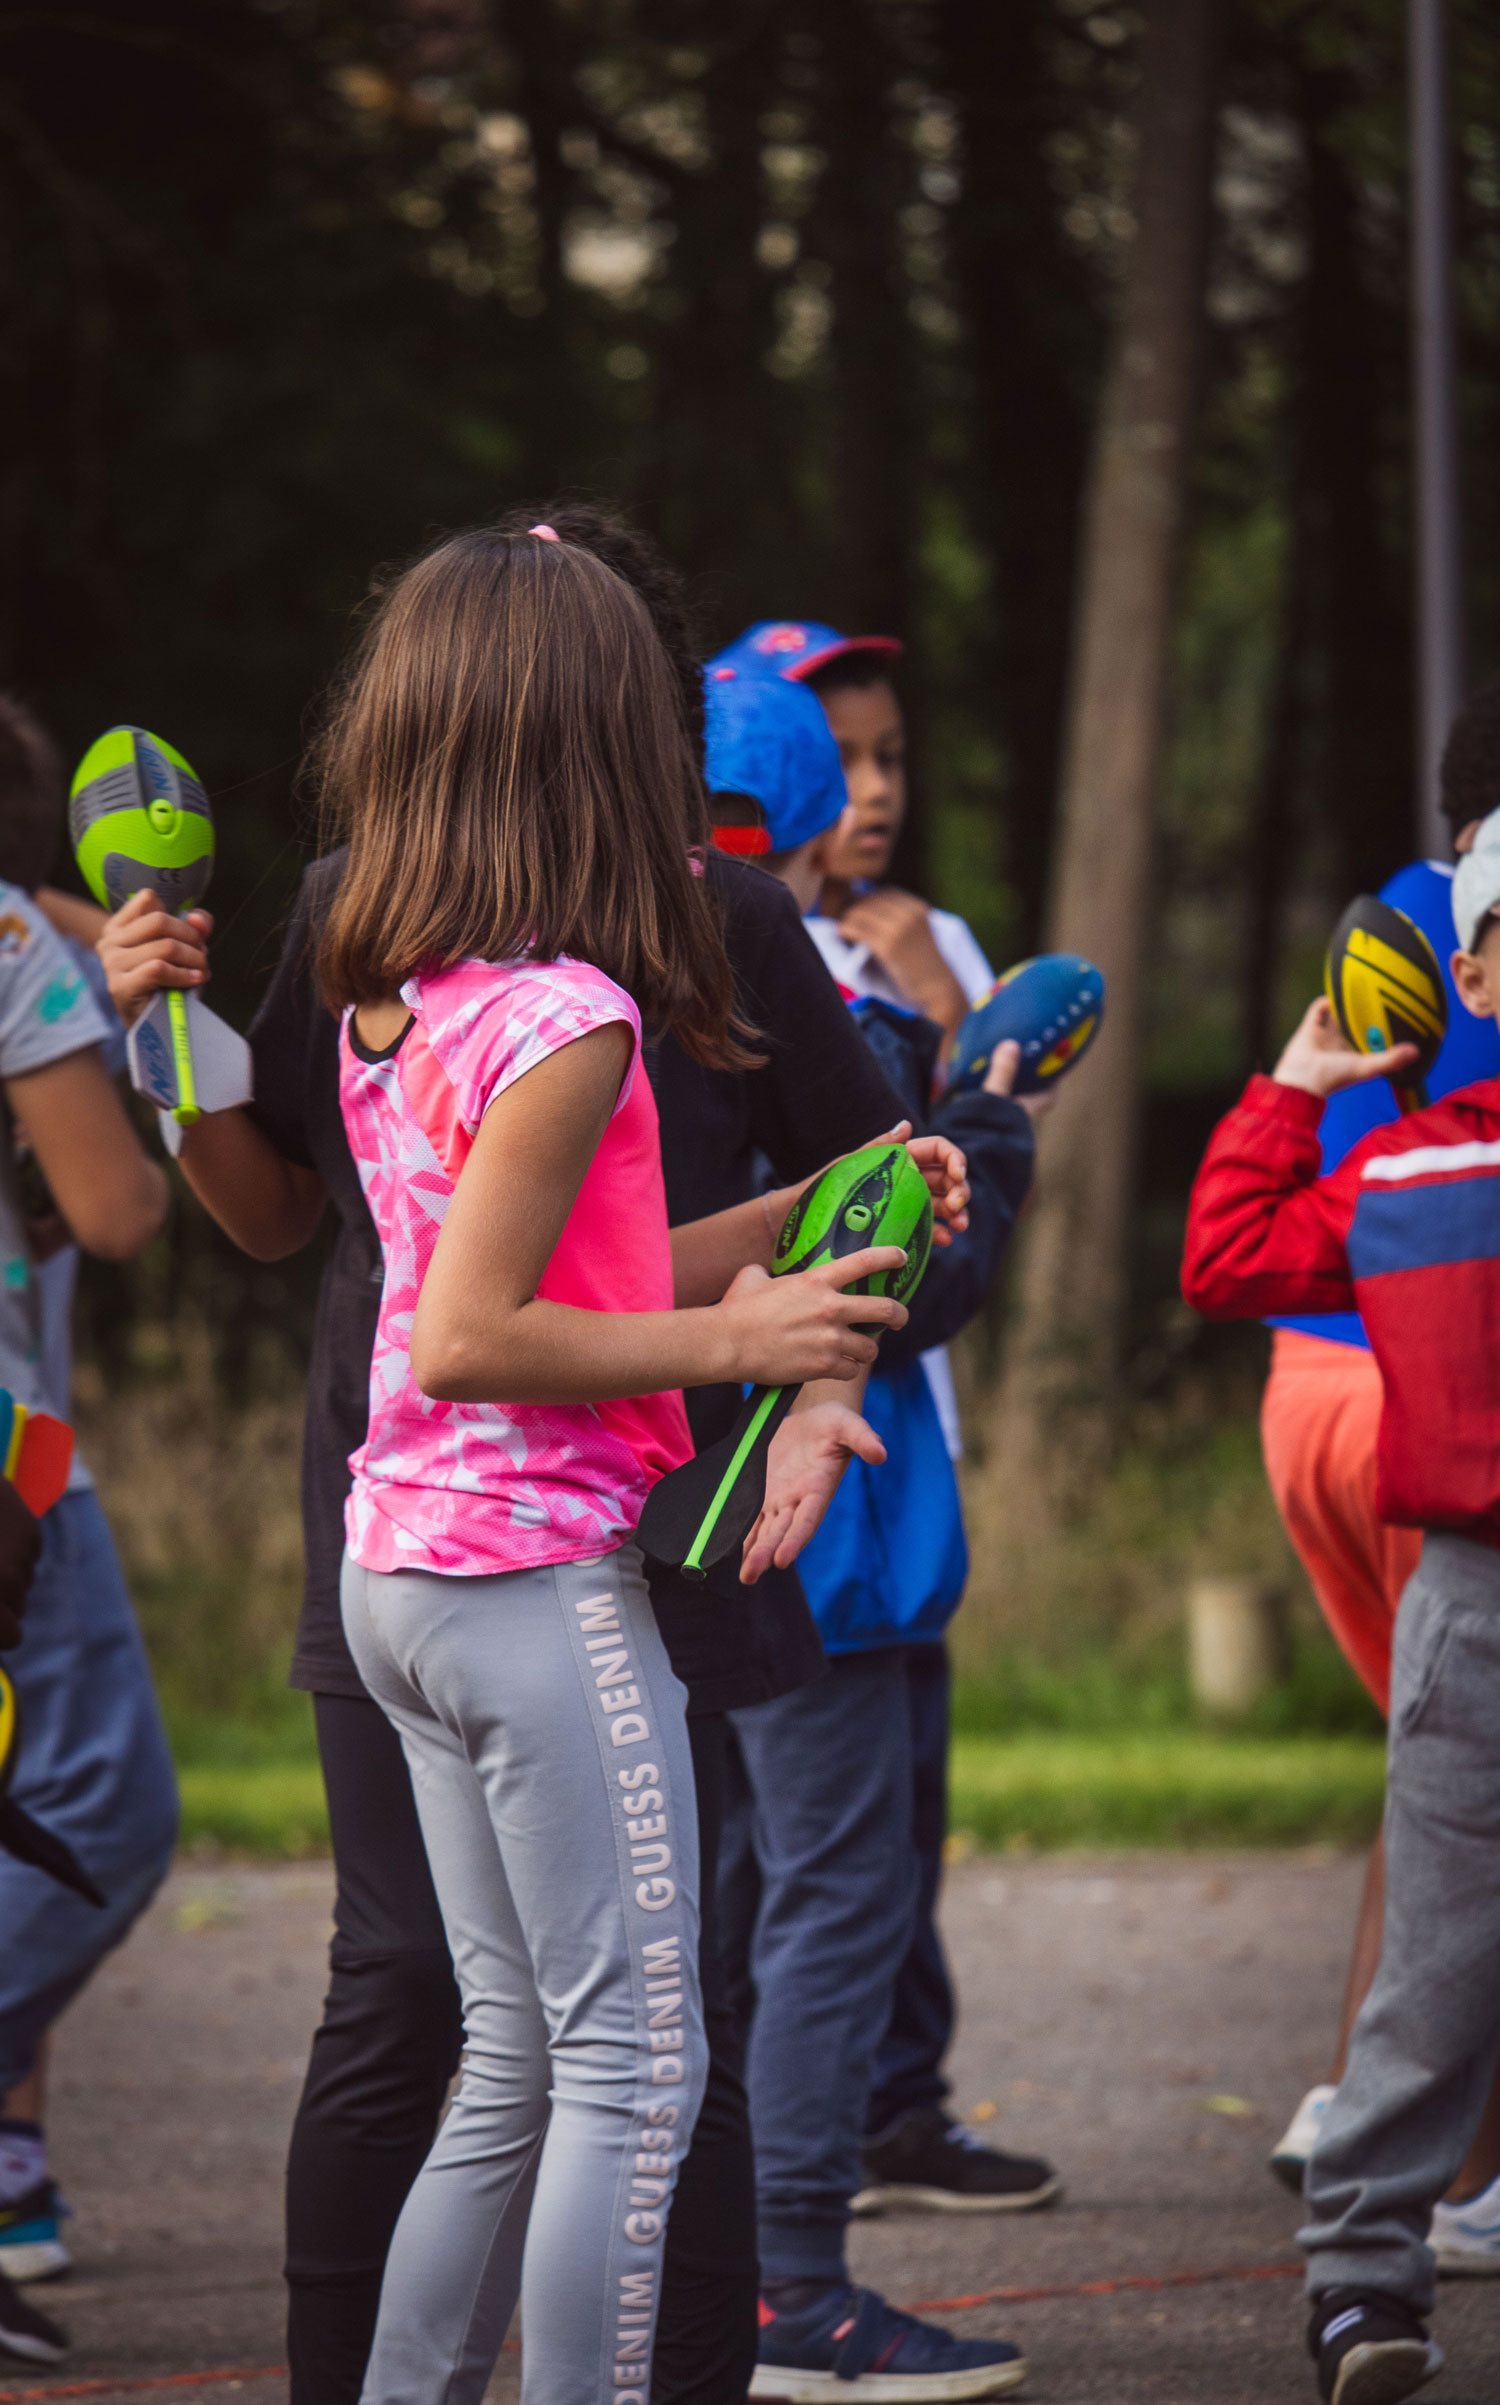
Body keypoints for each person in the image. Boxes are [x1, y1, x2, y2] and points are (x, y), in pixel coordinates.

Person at [99, 520, 967, 2405]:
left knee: (506, 2051)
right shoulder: (573, 1017)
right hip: (532, 1589)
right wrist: (749, 1346)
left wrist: (809, 1209)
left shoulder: (404, 990)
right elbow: (473, 1335)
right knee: (639, 2064)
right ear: (606, 746)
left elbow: (545, 1276)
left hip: (397, 1574)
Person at [698, 636, 1047, 2401]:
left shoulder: (612, 975)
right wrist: (988, 1104)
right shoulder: (806, 986)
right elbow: (911, 1267)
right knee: (834, 1895)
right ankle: (787, 2283)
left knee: (755, 1893)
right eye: (845, 761)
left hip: (700, 1518)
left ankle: (713, 2262)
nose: (875, 788)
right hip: (819, 1522)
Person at [1182, 809, 1500, 2405]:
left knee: (1435, 1968)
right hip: (1472, 1607)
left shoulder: (1419, 1159)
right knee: (1434, 1968)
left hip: (1470, 1610)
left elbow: (1225, 1246)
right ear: (1477, 973)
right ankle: (1367, 2293)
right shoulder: (1416, 1164)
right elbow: (1231, 1256)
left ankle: (1365, 2273)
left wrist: (1302, 1085)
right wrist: (1307, 1089)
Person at [1263, 678, 1500, 2269]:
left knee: (1438, 1793)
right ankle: (1439, 2167)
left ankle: (1363, 2116)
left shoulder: (1403, 920)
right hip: (1427, 1381)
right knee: (1455, 1800)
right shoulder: (1458, 938)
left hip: (1324, 1376)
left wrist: (1282, 1098)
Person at [0, 696, 176, 2348]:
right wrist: (103, 1043)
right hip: (10, 1456)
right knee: (105, 1805)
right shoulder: (12, 942)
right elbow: (117, 1210)